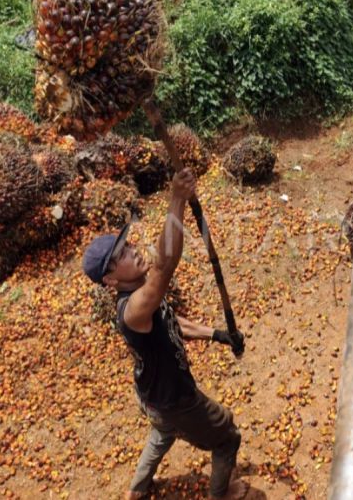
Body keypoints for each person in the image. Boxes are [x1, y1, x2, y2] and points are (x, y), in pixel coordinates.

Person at [82, 168, 248, 500]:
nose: (134, 252)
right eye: (123, 256)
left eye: (128, 245)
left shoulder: (146, 299)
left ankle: (138, 490)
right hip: (176, 400)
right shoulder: (134, 308)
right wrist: (176, 198)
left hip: (151, 397)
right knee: (227, 435)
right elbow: (165, 265)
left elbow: (174, 324)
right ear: (110, 281)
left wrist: (218, 335)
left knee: (162, 432)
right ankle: (223, 492)